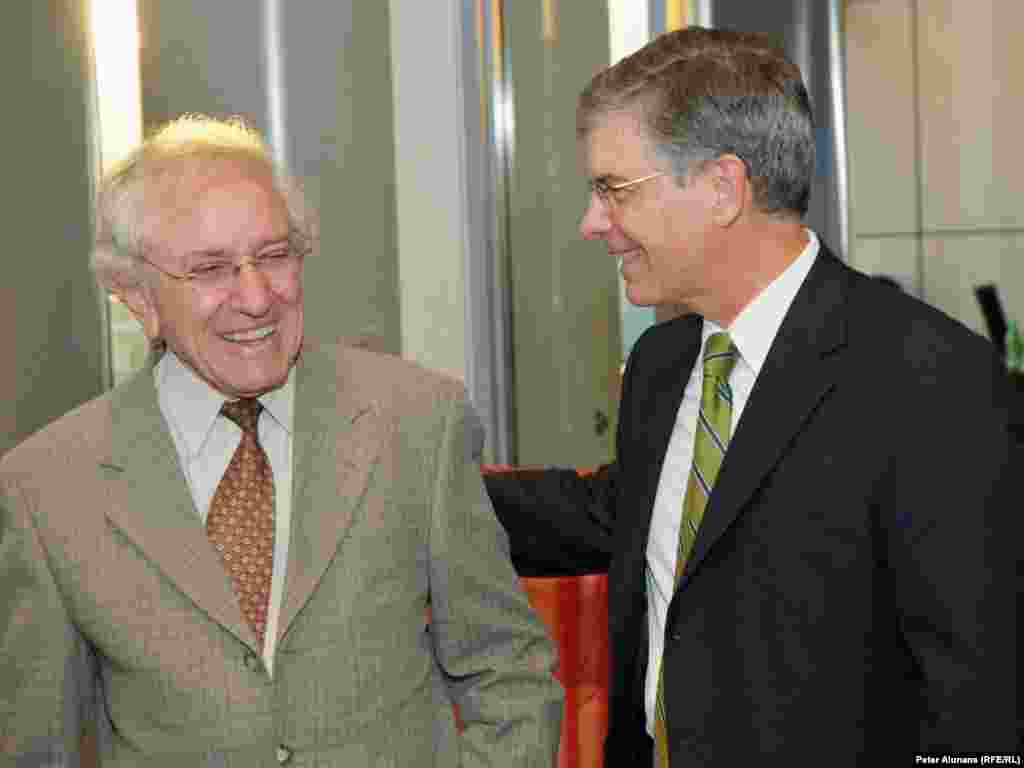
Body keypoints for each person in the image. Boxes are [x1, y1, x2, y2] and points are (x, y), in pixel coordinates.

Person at [484, 26, 1018, 764]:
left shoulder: (926, 378)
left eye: (612, 189)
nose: (592, 222)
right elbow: (632, 517)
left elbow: (979, 695)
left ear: (722, 188)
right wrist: (411, 487)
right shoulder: (663, 363)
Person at [0, 115, 562, 767]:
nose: (256, 296)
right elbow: (38, 745)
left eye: (273, 256)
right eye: (210, 269)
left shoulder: (415, 423)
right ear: (136, 298)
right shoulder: (47, 488)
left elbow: (507, 668)